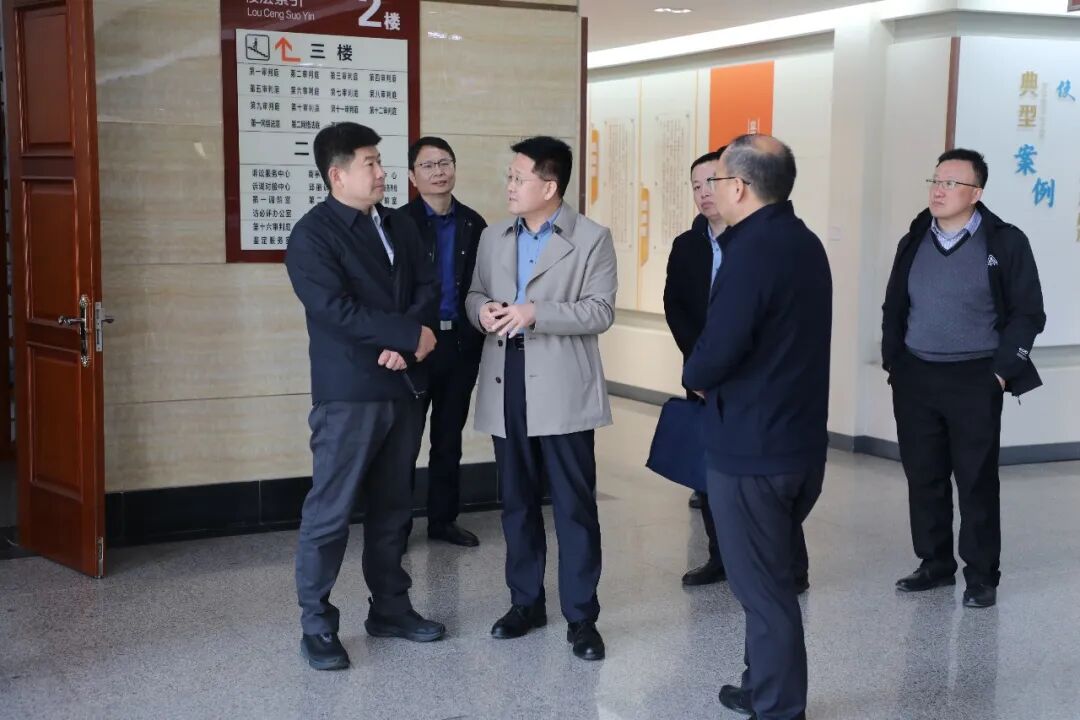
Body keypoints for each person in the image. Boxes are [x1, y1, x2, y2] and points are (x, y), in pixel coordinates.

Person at [285, 122, 445, 671]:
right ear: (337, 175)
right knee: (330, 513)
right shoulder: (312, 235)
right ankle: (317, 625)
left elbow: (428, 288)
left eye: (380, 161)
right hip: (350, 393)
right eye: (369, 163)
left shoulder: (401, 224)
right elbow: (335, 309)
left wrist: (410, 344)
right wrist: (405, 336)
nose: (381, 173)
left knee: (394, 507)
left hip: (403, 384)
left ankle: (391, 608)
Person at [684, 134, 831, 720]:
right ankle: (759, 683)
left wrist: (695, 374)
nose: (712, 190)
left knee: (763, 590)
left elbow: (718, 350)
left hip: (753, 449)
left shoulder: (750, 252)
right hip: (798, 443)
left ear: (741, 187)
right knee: (767, 576)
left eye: (717, 180)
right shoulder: (802, 241)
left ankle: (777, 707)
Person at [465, 136, 617, 661]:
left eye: (518, 177)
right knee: (517, 500)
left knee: (573, 506)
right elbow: (474, 293)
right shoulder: (493, 236)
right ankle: (525, 602)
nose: (509, 186)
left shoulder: (592, 239)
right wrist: (481, 312)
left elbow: (600, 310)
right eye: (509, 177)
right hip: (506, 376)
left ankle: (582, 617)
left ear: (549, 187)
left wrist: (536, 313)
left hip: (562, 385)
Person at [882, 148, 1045, 609]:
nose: (939, 190)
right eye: (935, 180)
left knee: (975, 480)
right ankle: (934, 563)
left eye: (951, 183)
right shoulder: (915, 238)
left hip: (975, 376)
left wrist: (1001, 373)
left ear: (976, 193)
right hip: (916, 375)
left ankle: (981, 575)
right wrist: (895, 363)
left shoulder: (1004, 242)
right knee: (923, 475)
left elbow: (1029, 312)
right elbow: (895, 305)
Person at [400, 137, 488, 548]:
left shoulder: (474, 223)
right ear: (412, 176)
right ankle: (396, 527)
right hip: (415, 347)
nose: (438, 172)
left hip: (459, 347)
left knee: (448, 439)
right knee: (404, 443)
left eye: (445, 163)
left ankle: (443, 520)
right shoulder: (398, 224)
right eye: (428, 165)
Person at [663, 149, 726, 587]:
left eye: (711, 183)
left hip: (751, 378)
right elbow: (676, 307)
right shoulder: (687, 245)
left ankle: (785, 565)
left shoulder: (755, 242)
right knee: (708, 472)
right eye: (696, 186)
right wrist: (699, 364)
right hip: (703, 377)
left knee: (760, 474)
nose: (703, 193)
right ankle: (719, 556)